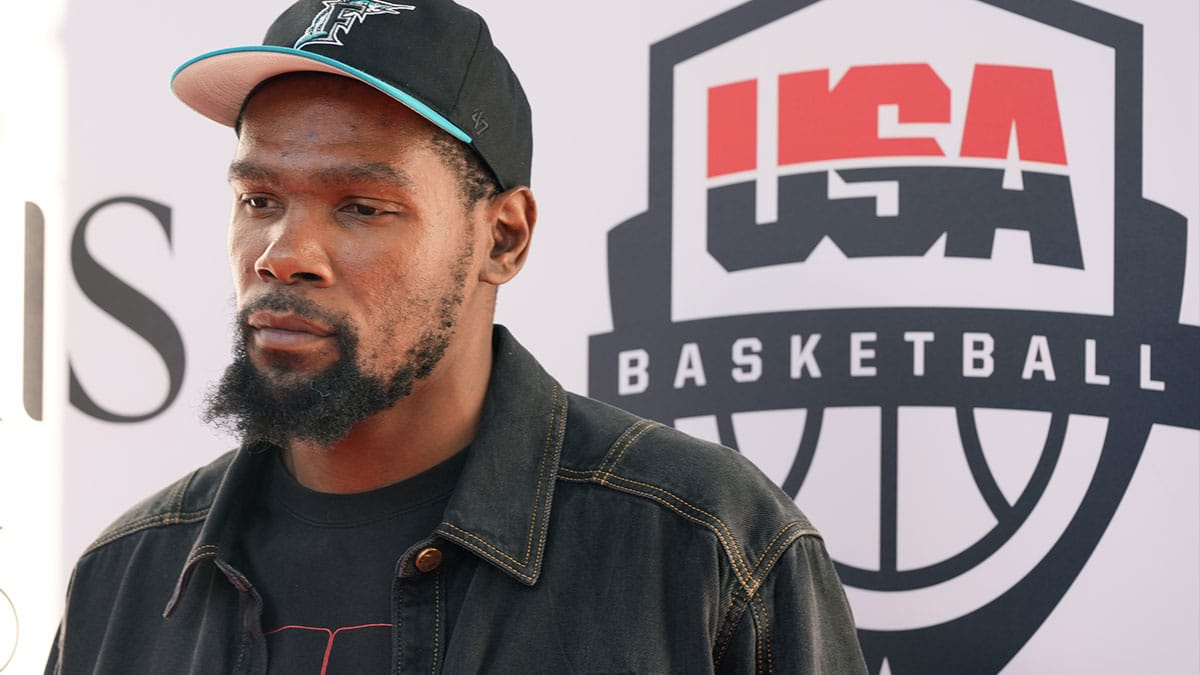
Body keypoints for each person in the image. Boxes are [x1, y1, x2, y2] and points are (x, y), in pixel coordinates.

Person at [46, 1, 869, 672]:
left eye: (362, 206)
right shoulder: (126, 577)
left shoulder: (703, 547)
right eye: (260, 198)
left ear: (502, 238)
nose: (283, 254)